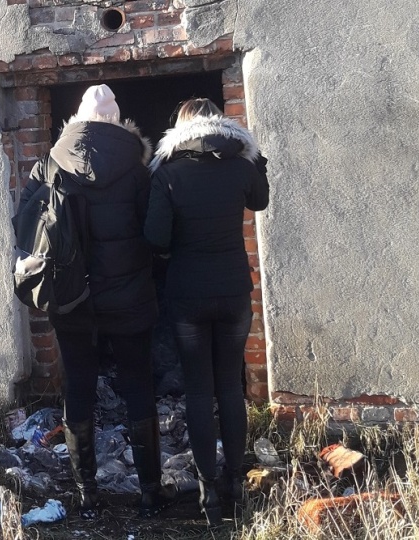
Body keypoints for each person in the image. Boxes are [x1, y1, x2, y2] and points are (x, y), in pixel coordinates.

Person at [18, 84, 173, 519]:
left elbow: (23, 222)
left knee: (80, 386)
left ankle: (87, 494)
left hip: (72, 298)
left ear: (78, 121)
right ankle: (149, 493)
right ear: (118, 121)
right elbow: (155, 231)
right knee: (138, 384)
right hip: (129, 295)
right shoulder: (139, 170)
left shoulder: (50, 164)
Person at [144, 98, 269, 525]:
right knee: (230, 389)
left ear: (180, 132)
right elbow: (261, 200)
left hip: (188, 297)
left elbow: (156, 239)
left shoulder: (169, 175)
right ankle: (235, 481)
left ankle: (207, 491)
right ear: (222, 126)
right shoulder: (240, 167)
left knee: (199, 391)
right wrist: (256, 158)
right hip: (234, 291)